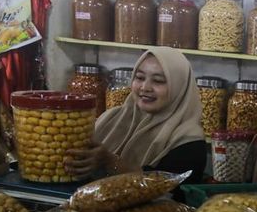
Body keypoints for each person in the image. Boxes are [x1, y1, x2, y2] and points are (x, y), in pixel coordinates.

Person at [64, 47, 206, 183]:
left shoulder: (189, 141)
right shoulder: (112, 118)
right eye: (139, 77)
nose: (145, 87)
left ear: (179, 88)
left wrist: (111, 163)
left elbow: (167, 189)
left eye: (158, 81)